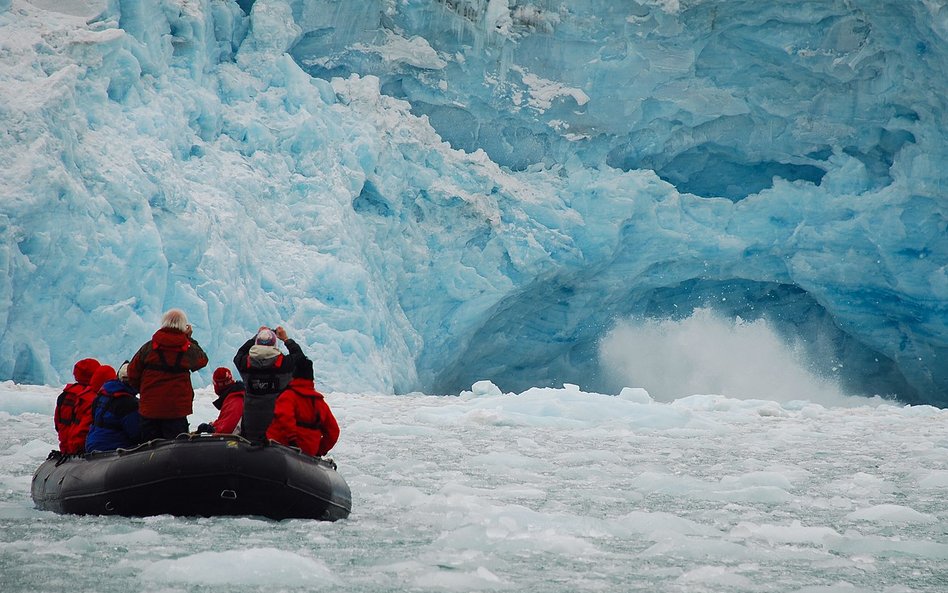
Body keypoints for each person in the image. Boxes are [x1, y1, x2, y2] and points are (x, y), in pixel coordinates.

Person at [126, 308, 208, 441]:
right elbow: (202, 360)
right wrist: (189, 339)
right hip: (176, 411)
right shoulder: (187, 349)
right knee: (175, 449)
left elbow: (132, 372)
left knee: (149, 449)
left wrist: (144, 391)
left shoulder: (149, 347)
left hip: (150, 409)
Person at [233, 325, 305, 443]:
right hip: (275, 428)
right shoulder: (284, 365)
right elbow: (299, 357)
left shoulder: (245, 365)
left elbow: (239, 354)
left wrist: (256, 336)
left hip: (251, 426)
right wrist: (286, 339)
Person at [266, 357, 339, 457]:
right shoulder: (320, 403)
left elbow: (285, 417)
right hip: (308, 454)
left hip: (280, 450)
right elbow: (333, 432)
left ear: (293, 375)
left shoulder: (288, 396)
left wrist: (293, 442)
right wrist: (319, 451)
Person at [85, 362, 142, 453]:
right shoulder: (128, 403)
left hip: (92, 445)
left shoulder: (101, 395)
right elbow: (136, 434)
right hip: (113, 447)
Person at [54, 358, 101, 455]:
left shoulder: (64, 395)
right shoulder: (92, 397)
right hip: (83, 450)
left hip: (65, 448)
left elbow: (57, 424)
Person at [195, 367, 245, 434]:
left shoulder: (235, 400)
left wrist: (212, 430)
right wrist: (213, 425)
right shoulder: (234, 396)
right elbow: (227, 420)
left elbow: (227, 429)